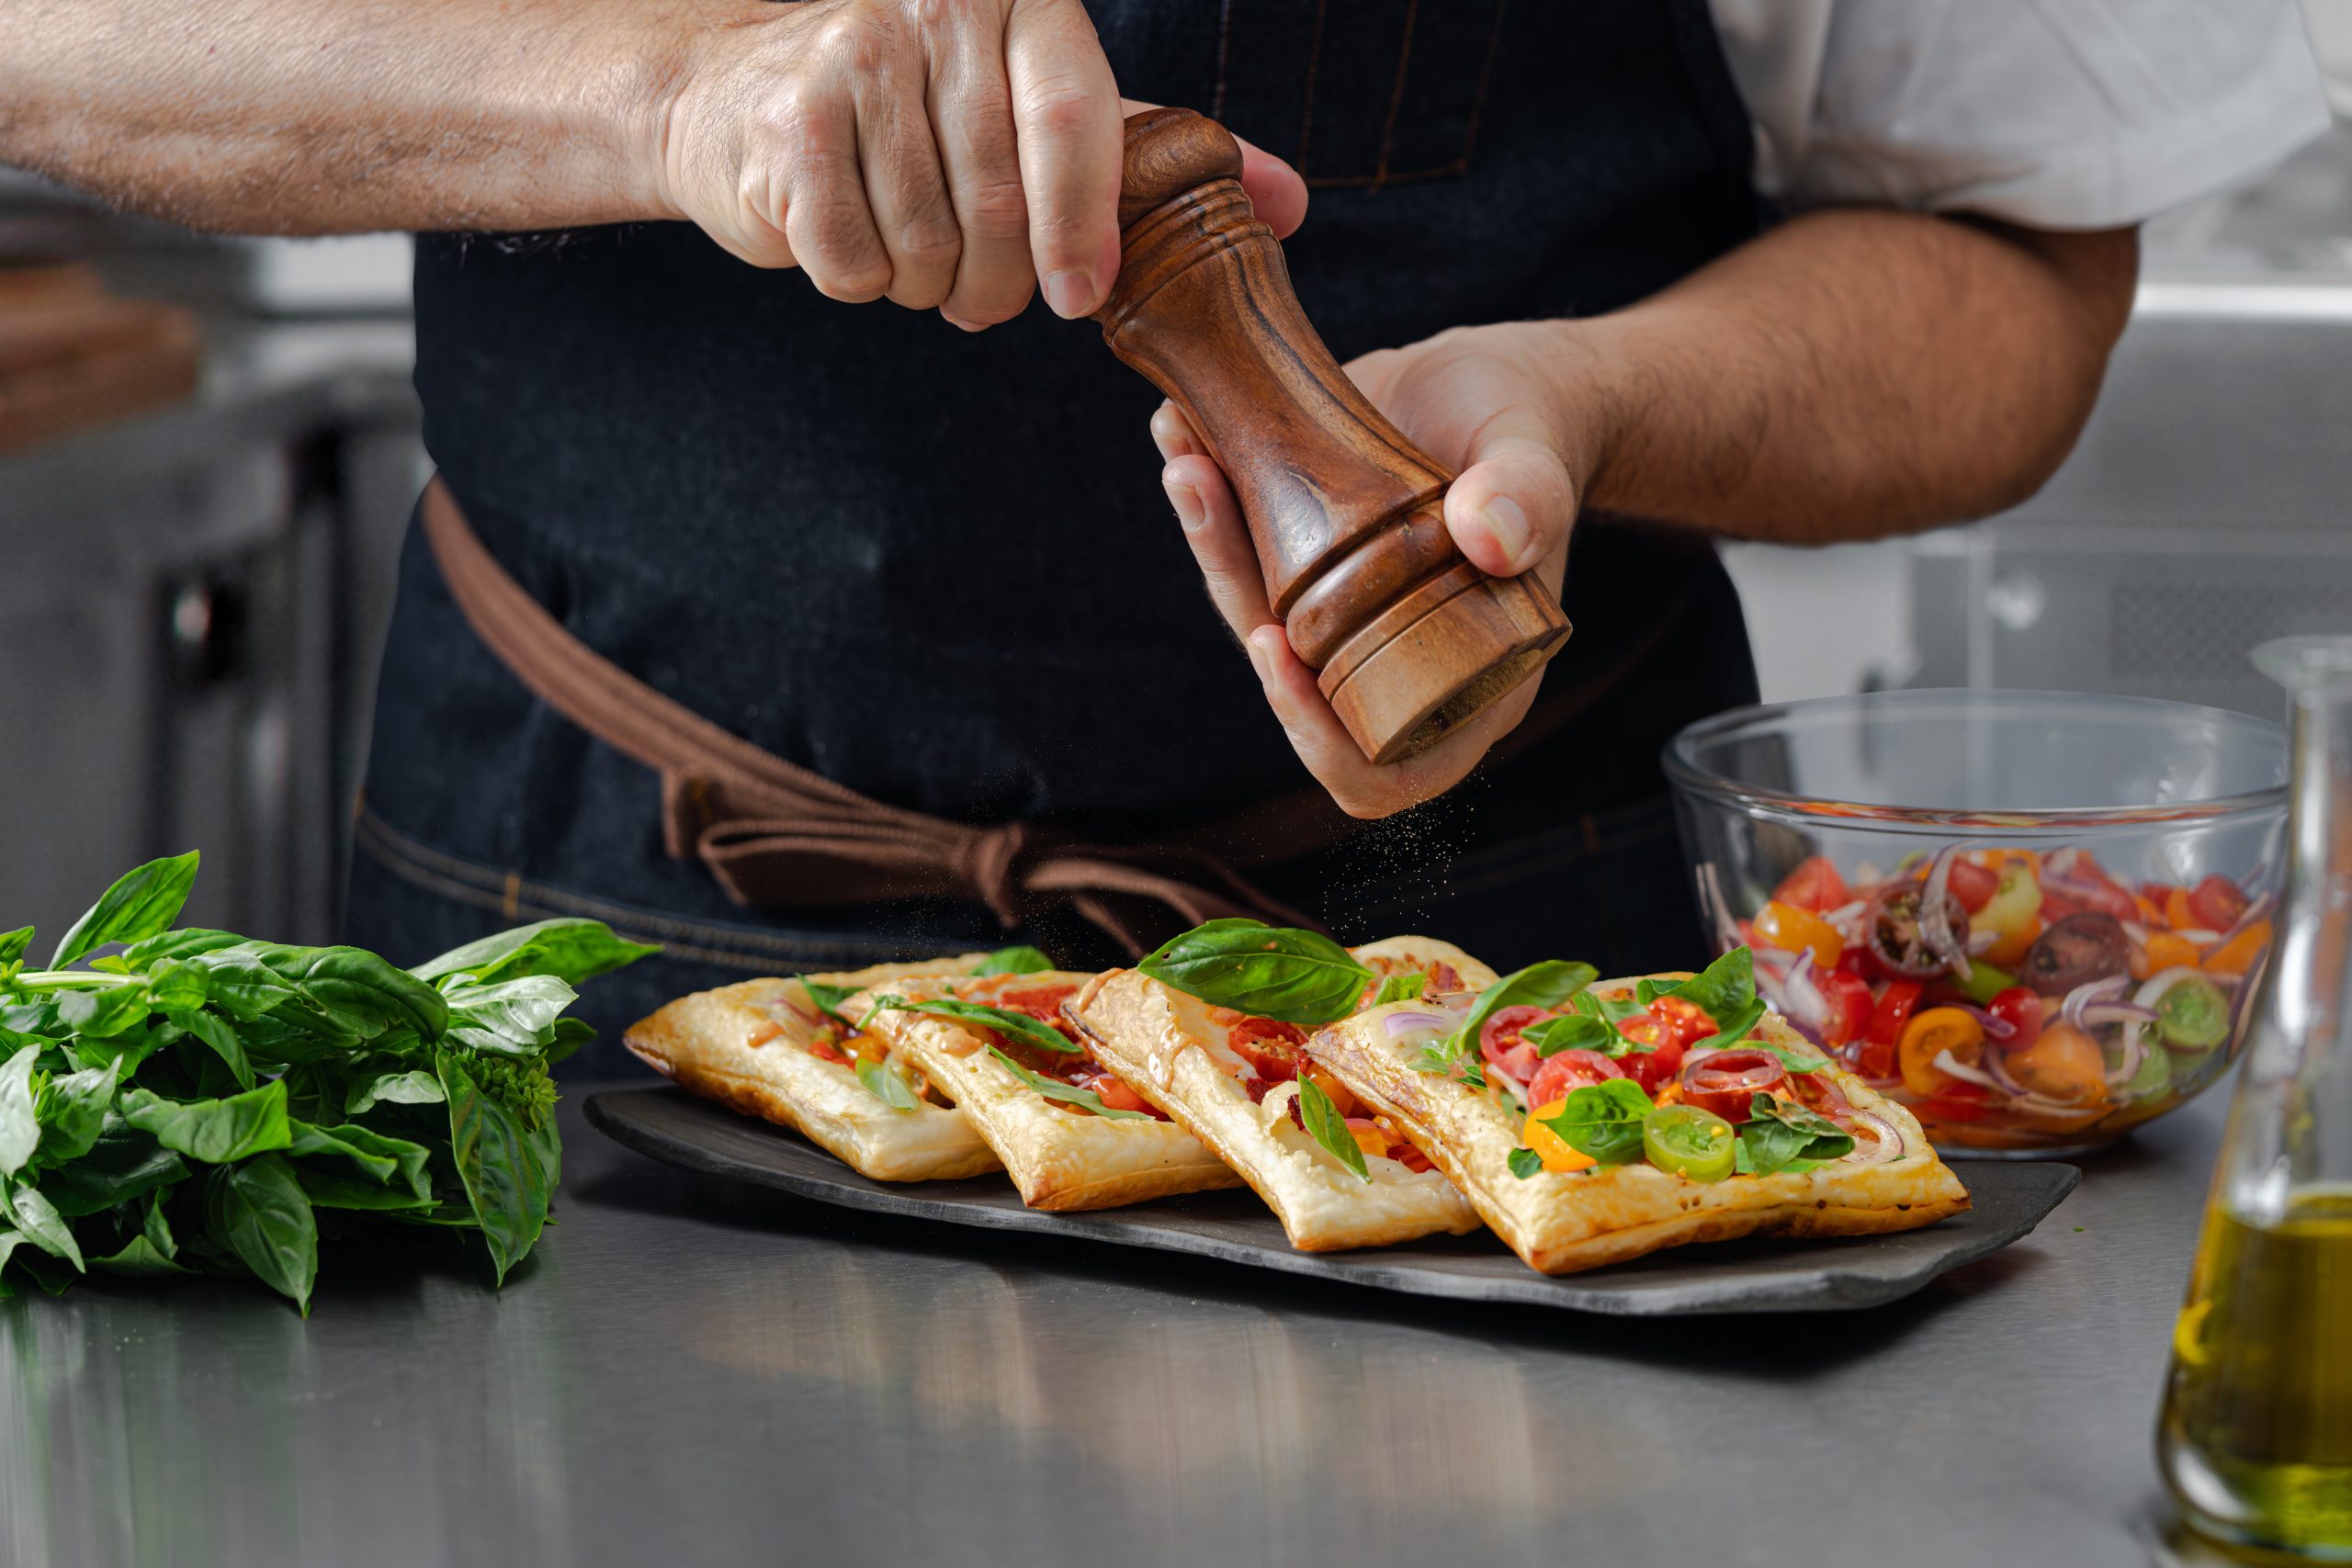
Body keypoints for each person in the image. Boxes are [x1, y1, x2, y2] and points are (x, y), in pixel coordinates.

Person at [5, 0, 2325, 1070]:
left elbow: (2013, 284)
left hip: (1504, 963)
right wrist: (667, 91)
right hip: (580, 917)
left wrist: (1589, 402)